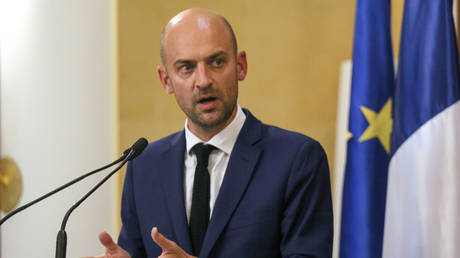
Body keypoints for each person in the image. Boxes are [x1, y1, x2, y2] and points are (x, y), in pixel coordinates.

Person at [85, 8, 333, 258]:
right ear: (166, 80)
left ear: (241, 66)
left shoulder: (297, 159)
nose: (203, 80)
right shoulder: (144, 165)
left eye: (216, 62)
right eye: (186, 67)